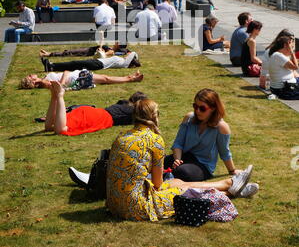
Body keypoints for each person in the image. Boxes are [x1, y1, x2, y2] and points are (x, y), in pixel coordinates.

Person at [104, 99, 257, 221]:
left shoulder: (121, 136)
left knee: (177, 183)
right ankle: (232, 190)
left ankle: (229, 184)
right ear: (154, 116)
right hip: (134, 207)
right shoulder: (154, 140)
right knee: (183, 192)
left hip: (114, 202)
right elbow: (158, 184)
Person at [164, 89, 251, 183]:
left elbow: (224, 152)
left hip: (202, 165)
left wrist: (232, 171)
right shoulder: (189, 118)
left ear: (213, 108)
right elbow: (178, 143)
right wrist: (177, 159)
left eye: (202, 108)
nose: (197, 111)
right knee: (157, 162)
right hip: (184, 157)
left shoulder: (221, 127)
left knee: (182, 172)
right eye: (195, 106)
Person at [43, 82, 147, 136]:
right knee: (60, 129)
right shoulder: (131, 111)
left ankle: (54, 97)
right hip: (99, 118)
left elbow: (48, 126)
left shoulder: (122, 104)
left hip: (93, 112)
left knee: (50, 126)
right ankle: (59, 96)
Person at [20, 69, 143, 90]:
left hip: (76, 75)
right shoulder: (44, 82)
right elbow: (59, 85)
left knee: (106, 78)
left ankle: (131, 77)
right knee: (106, 78)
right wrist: (64, 77)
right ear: (32, 82)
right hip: (77, 77)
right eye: (30, 77)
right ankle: (131, 79)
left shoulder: (44, 79)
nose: (31, 74)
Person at [41, 50, 141, 73]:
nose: (128, 53)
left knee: (74, 64)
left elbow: (133, 53)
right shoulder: (123, 61)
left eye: (130, 55)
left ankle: (52, 66)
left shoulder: (124, 64)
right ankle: (51, 66)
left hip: (98, 64)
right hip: (97, 62)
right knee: (74, 65)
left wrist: (134, 55)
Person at [39, 43, 129, 58]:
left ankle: (49, 54)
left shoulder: (112, 51)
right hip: (88, 50)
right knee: (69, 51)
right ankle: (50, 53)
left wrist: (101, 51)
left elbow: (105, 55)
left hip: (87, 52)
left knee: (69, 53)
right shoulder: (112, 49)